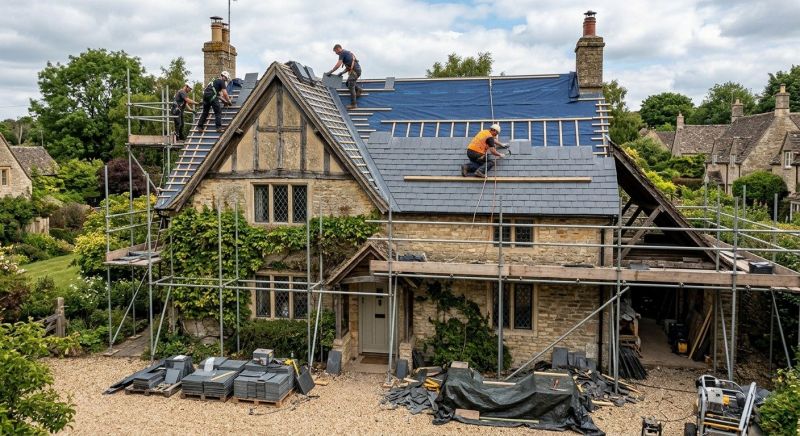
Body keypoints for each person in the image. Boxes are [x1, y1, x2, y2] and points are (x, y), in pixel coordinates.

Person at [326, 44, 363, 109]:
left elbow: (338, 65)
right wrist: (342, 73)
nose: (336, 53)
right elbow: (349, 66)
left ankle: (354, 104)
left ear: (338, 49)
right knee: (347, 83)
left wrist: (331, 71)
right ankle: (359, 90)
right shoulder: (346, 53)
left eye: (335, 51)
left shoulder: (342, 53)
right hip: (356, 71)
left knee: (351, 86)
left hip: (355, 72)